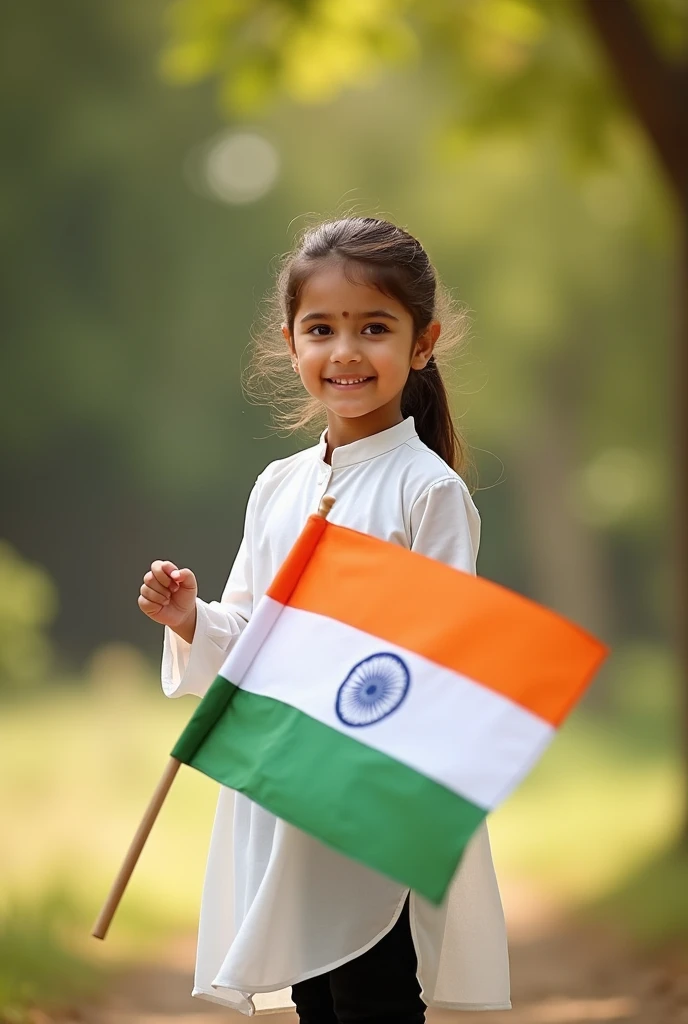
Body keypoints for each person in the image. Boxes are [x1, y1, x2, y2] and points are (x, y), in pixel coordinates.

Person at [138, 216, 511, 1021]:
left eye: (374, 328)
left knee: (372, 982)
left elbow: (443, 648)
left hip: (369, 782)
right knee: (314, 985)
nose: (346, 351)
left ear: (422, 344)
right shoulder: (279, 486)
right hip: (286, 781)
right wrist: (190, 619)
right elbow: (246, 634)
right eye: (322, 329)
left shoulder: (427, 490)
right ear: (292, 342)